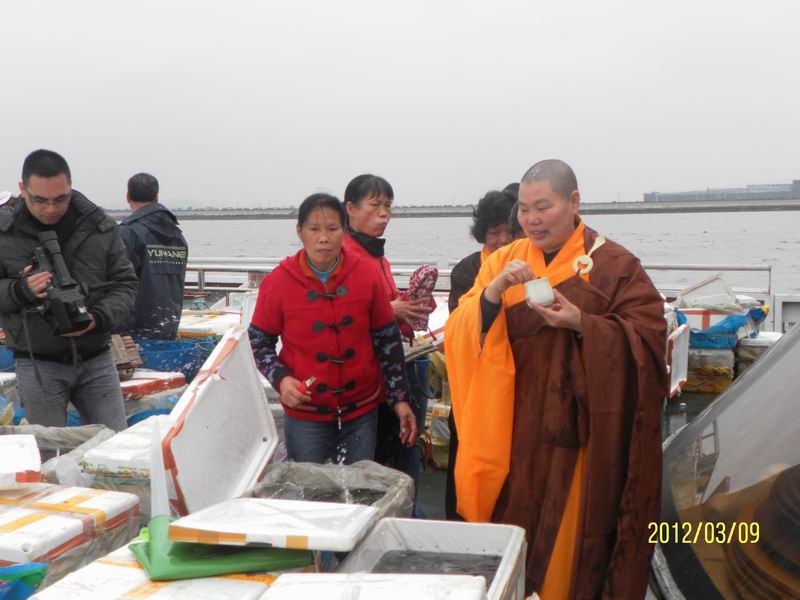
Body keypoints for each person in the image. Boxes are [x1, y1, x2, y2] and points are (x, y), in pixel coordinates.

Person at [445, 159, 668, 599]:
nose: (531, 219)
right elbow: (459, 332)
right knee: (510, 534)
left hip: (578, 435)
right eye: (525, 209)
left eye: (542, 207)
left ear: (573, 202)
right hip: (511, 429)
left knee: (568, 544)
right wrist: (492, 294)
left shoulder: (613, 264)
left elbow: (648, 337)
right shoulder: (504, 261)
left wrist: (582, 322)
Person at [248, 193, 417, 464]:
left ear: (343, 231)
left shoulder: (366, 274)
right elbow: (258, 341)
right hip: (305, 412)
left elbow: (387, 341)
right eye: (314, 229)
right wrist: (281, 378)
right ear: (300, 232)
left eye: (332, 229)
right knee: (308, 491)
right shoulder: (278, 282)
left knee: (358, 489)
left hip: (361, 410)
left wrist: (400, 398)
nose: (323, 238)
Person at [0, 150, 137, 430]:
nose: (50, 208)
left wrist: (97, 318)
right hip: (38, 362)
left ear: (70, 186)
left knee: (113, 444)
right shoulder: (4, 232)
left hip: (97, 357)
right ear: (22, 188)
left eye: (60, 199)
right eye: (40, 200)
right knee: (48, 452)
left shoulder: (99, 226)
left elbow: (126, 285)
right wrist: (20, 290)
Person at [341, 174, 433, 506]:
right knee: (368, 469)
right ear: (350, 209)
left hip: (390, 376)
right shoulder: (342, 256)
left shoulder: (378, 256)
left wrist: (409, 307)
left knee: (398, 456)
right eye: (375, 205)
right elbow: (336, 317)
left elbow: (389, 304)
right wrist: (387, 309)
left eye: (388, 206)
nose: (384, 214)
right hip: (363, 383)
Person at [445, 188, 516, 521]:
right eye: (494, 232)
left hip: (512, 385)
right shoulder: (467, 270)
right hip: (473, 385)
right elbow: (460, 328)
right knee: (468, 458)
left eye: (509, 231)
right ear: (481, 234)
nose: (502, 240)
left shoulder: (527, 264)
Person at [116, 173, 188, 340]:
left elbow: (118, 283)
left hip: (133, 333)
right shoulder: (177, 235)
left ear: (127, 196)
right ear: (156, 196)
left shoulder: (127, 234)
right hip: (168, 326)